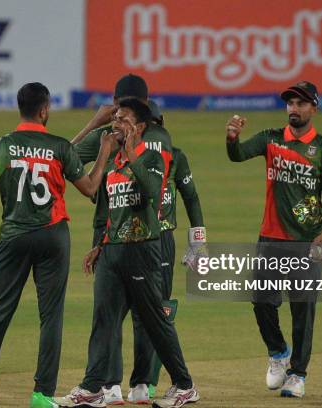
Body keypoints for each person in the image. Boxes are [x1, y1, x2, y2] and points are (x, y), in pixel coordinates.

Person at [0, 83, 116, 408]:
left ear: (20, 108)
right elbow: (90, 187)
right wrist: (103, 152)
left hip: (13, 236)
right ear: (45, 110)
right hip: (52, 236)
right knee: (50, 317)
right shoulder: (59, 147)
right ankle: (41, 395)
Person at [56, 98, 199, 408]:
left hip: (143, 249)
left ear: (141, 126)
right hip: (113, 250)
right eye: (115, 118)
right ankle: (93, 386)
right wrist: (101, 244)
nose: (115, 123)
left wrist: (132, 152)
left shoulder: (153, 157)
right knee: (104, 317)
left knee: (153, 319)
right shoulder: (114, 159)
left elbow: (153, 193)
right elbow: (113, 210)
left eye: (123, 119)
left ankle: (184, 385)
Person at [225, 81, 322, 398]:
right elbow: (237, 156)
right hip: (271, 238)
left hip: (306, 241)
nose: (294, 108)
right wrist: (232, 139)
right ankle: (278, 353)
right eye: (290, 103)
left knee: (303, 310)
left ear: (313, 109)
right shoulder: (270, 139)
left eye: (301, 104)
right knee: (261, 301)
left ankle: (298, 374)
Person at [71, 74, 175, 405]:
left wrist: (94, 124)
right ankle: (140, 384)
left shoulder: (127, 136)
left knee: (112, 310)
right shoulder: (161, 135)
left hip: (119, 229)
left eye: (121, 108)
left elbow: (68, 156)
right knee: (145, 309)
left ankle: (113, 385)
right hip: (152, 234)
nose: (118, 114)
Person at [146, 100, 206, 390]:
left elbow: (191, 197)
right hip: (130, 239)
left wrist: (198, 243)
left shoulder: (176, 157)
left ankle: (148, 381)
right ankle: (111, 383)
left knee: (158, 312)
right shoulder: (128, 154)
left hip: (163, 239)